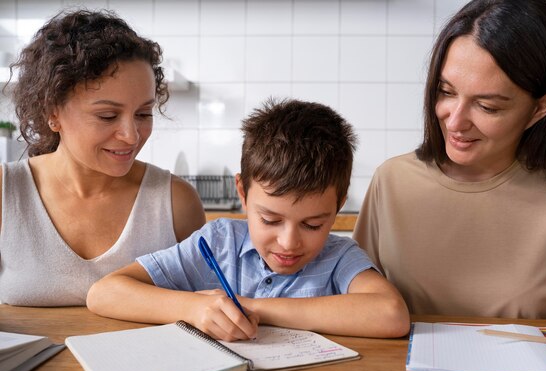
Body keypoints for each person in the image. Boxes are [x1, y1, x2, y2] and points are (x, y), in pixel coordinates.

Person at [353, 0, 546, 357]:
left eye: (488, 106)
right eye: (446, 92)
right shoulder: (393, 181)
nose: (454, 121)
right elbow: (350, 298)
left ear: (540, 108)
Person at [87, 98, 410, 341]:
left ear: (339, 204)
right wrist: (193, 308)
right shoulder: (217, 242)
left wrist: (253, 307)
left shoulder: (339, 257)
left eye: (313, 225)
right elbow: (104, 293)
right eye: (270, 220)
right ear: (242, 192)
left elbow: (391, 315)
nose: (288, 242)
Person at [0, 10, 206, 306]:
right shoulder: (5, 194)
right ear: (52, 112)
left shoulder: (177, 203)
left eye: (143, 114)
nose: (132, 136)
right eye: (107, 116)